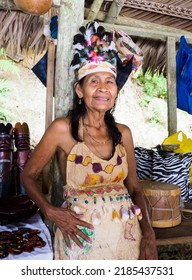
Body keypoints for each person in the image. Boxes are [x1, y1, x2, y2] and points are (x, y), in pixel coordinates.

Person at [21, 21, 158, 260]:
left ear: (116, 91)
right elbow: (28, 175)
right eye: (94, 81)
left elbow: (134, 188)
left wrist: (148, 233)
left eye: (109, 82)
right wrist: (50, 210)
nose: (103, 88)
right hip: (80, 238)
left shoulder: (123, 133)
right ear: (79, 90)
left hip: (126, 238)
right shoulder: (62, 129)